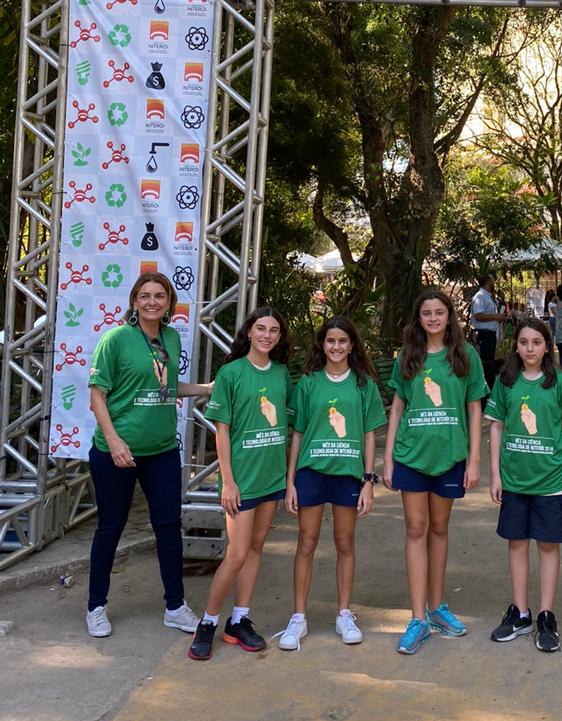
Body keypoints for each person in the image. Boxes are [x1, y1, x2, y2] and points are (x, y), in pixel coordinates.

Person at [85, 272, 212, 639]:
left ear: (169, 301)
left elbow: (166, 387)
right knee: (110, 528)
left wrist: (204, 388)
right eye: (145, 295)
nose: (152, 302)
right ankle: (96, 606)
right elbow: (97, 395)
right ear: (134, 301)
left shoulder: (171, 337)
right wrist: (115, 442)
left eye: (159, 296)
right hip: (116, 452)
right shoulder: (115, 339)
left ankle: (175, 606)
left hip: (162, 451)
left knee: (169, 527)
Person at [384, 289, 487, 654]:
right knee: (416, 529)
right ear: (418, 318)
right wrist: (388, 458)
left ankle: (437, 606)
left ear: (449, 316)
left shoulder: (465, 355)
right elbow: (397, 408)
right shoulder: (407, 356)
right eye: (426, 312)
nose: (432, 318)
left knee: (439, 529)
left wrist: (474, 460)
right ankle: (418, 619)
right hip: (411, 455)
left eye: (439, 312)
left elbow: (474, 408)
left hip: (450, 455)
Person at [275, 316, 386, 652]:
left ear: (352, 345)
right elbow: (297, 434)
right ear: (322, 345)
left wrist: (369, 481)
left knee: (344, 542)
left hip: (348, 474)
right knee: (306, 543)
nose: (336, 346)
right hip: (312, 472)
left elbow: (370, 435)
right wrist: (290, 481)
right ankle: (298, 617)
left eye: (342, 341)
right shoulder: (309, 383)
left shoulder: (364, 384)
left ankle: (344, 614)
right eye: (330, 341)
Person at [188, 307, 293, 660]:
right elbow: (222, 432)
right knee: (235, 555)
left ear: (279, 337)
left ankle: (239, 620)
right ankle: (207, 623)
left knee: (256, 547)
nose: (266, 335)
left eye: (273, 330)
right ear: (249, 332)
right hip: (242, 481)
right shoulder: (231, 373)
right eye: (261, 328)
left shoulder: (281, 373)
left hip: (271, 477)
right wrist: (228, 482)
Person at [486, 318, 562, 653]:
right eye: (524, 342)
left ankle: (546, 615)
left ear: (547, 347)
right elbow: (496, 425)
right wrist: (496, 475)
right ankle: (521, 612)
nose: (530, 348)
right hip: (514, 480)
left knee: (548, 546)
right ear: (516, 346)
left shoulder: (560, 383)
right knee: (516, 543)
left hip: (552, 482)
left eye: (536, 342)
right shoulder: (506, 381)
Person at [470, 273, 506, 390]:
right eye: (493, 281)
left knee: (490, 362)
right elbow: (478, 315)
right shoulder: (480, 296)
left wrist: (498, 318)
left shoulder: (489, 297)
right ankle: (483, 388)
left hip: (490, 334)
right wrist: (495, 316)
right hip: (483, 335)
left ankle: (489, 386)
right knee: (485, 363)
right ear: (488, 282)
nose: (494, 284)